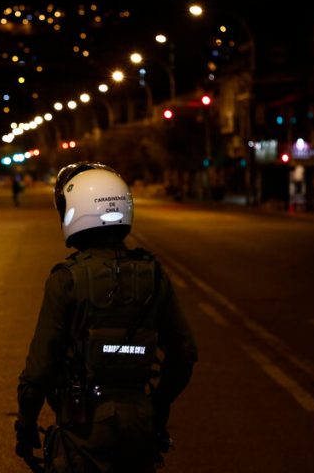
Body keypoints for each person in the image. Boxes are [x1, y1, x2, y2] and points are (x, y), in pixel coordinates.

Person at [15, 162, 198, 472]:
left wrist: (26, 424)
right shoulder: (152, 274)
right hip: (139, 422)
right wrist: (157, 405)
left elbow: (39, 369)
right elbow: (184, 353)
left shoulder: (67, 279)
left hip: (83, 429)